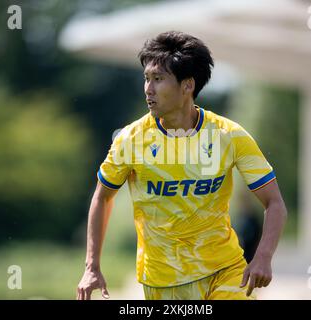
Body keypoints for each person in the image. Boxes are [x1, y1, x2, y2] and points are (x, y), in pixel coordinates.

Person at [77, 31, 287, 300]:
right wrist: (91, 266)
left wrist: (263, 257)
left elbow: (275, 203)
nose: (148, 89)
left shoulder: (229, 135)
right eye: (147, 79)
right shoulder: (130, 140)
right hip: (162, 281)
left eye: (158, 79)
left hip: (225, 271)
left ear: (187, 85)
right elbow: (102, 197)